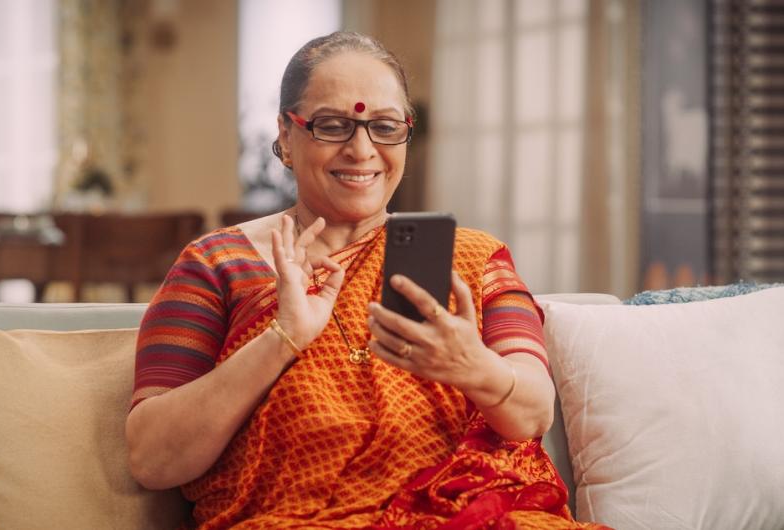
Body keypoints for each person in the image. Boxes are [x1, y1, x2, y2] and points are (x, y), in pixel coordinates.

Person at [125, 31, 609, 530]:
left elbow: (533, 414)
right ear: (286, 137)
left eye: (384, 126)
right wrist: (281, 338)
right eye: (333, 126)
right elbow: (153, 459)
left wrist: (472, 368)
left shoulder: (472, 259)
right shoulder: (216, 263)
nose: (362, 150)